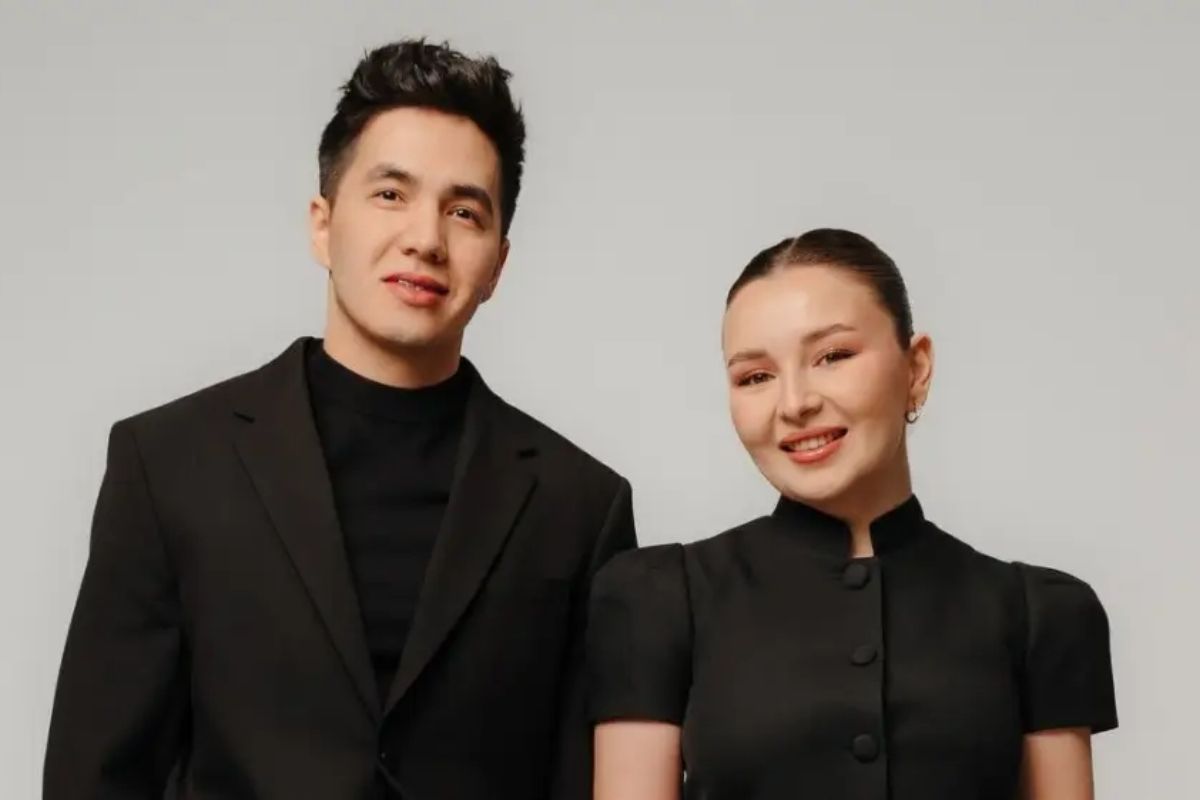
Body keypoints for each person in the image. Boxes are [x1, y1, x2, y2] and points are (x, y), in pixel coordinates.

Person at [44, 39, 636, 799]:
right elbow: (96, 774)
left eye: (464, 212)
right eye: (390, 194)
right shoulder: (169, 464)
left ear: (497, 263)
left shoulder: (580, 506)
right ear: (322, 225)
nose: (425, 239)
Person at [587, 228, 1116, 799]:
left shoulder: (1041, 614)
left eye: (833, 356)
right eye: (755, 377)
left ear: (916, 368)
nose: (795, 404)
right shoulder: (656, 599)